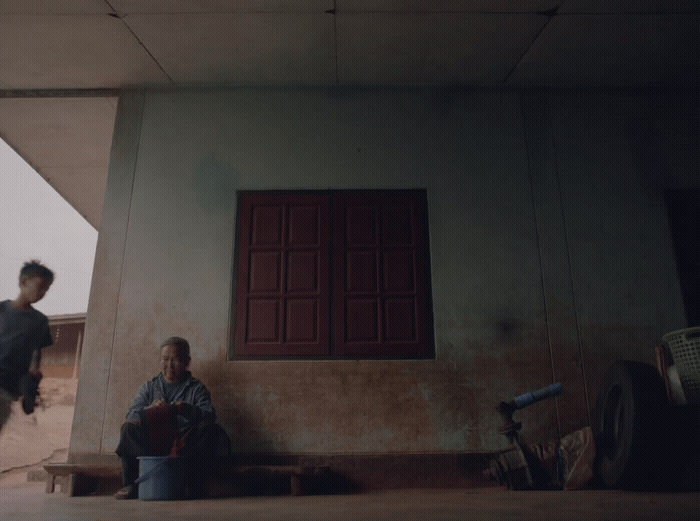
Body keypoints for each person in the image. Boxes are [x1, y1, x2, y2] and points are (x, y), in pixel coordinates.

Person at [115, 336, 230, 499]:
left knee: (212, 430)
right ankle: (132, 485)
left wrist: (186, 409)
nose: (169, 365)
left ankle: (194, 484)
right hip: (152, 445)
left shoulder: (196, 388)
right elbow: (131, 413)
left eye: (175, 359)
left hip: (184, 445)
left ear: (187, 362)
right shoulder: (149, 387)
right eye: (165, 359)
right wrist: (150, 409)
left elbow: (209, 415)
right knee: (128, 429)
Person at [0, 260, 54, 433]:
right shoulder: (1, 310)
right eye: (39, 286)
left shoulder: (40, 321)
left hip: (8, 386)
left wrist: (35, 371)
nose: (42, 293)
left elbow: (36, 351)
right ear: (24, 282)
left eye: (46, 289)